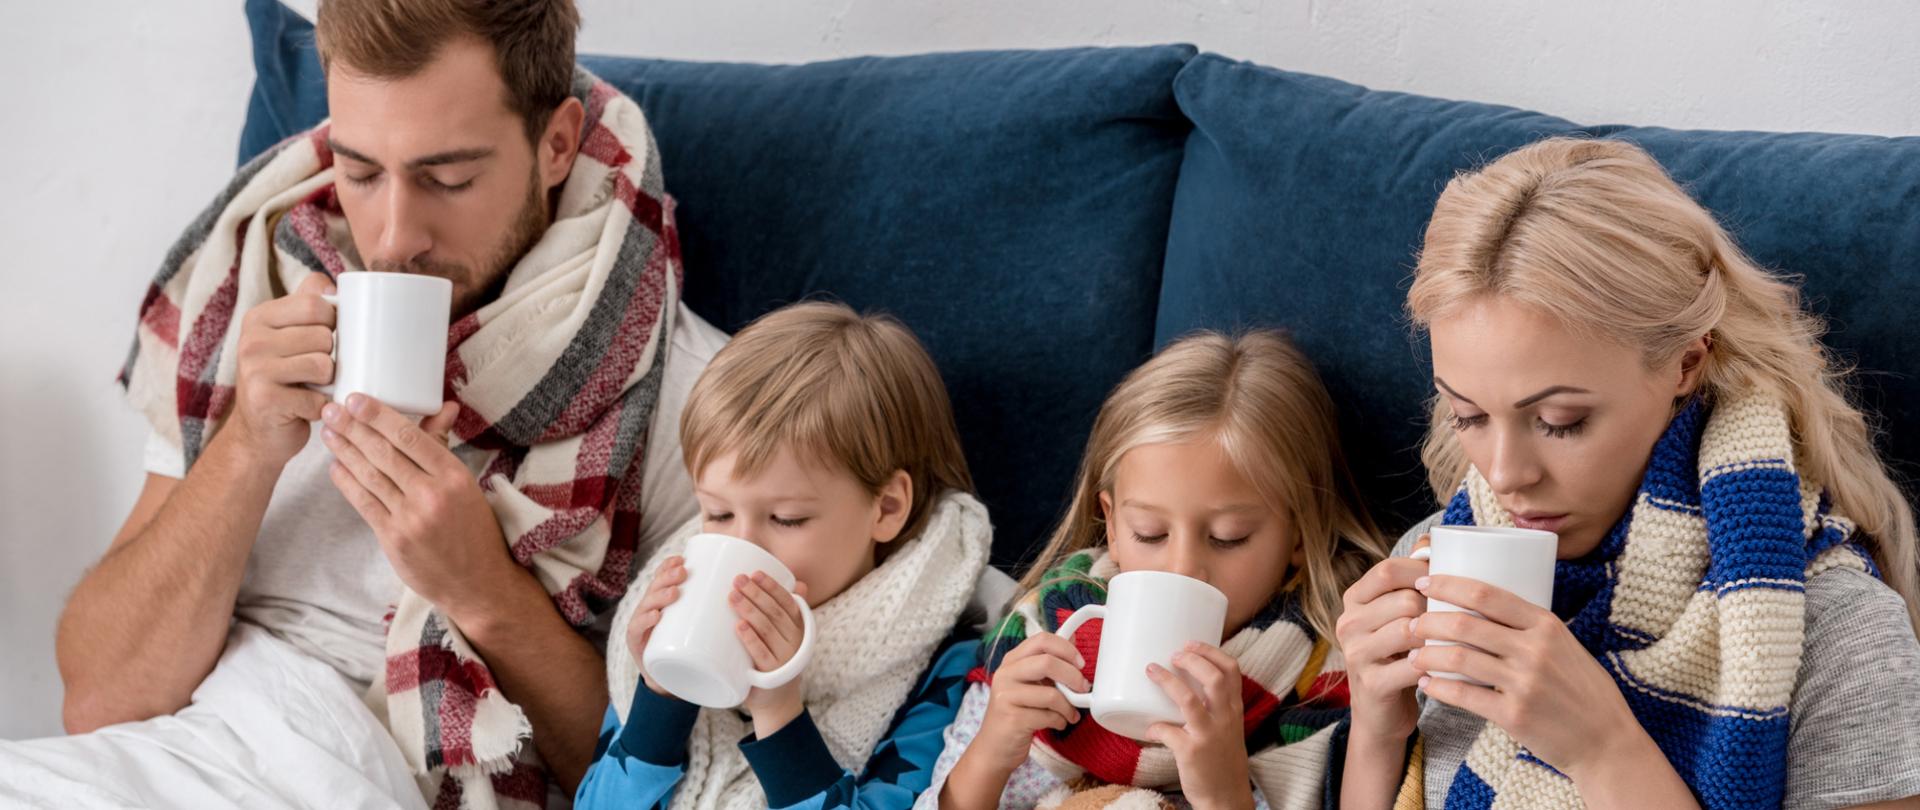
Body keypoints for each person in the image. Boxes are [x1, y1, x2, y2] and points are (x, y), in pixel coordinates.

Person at [3, 1, 729, 807]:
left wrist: (483, 588)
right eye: (359, 171)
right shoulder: (262, 283)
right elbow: (98, 698)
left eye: (447, 178)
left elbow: (679, 782)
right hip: (177, 751)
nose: (390, 238)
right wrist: (247, 443)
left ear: (556, 144)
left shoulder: (694, 396)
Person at [1334, 137, 1920, 809]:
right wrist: (1377, 731)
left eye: (1559, 420)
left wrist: (1602, 749)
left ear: (1684, 364)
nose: (1503, 473)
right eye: (1467, 415)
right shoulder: (1432, 563)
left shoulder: (1836, 633)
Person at [925, 330, 1389, 809]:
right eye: (1149, 532)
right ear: (1110, 523)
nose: (1183, 567)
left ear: (1297, 533)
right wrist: (989, 754)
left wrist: (1225, 792)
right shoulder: (1046, 628)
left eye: (1228, 537)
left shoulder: (1327, 675)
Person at [577, 301, 992, 809]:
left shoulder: (947, 670)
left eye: (787, 519)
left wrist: (778, 712)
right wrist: (659, 699)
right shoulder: (676, 617)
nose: (743, 546)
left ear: (885, 508)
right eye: (718, 514)